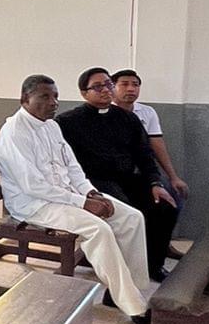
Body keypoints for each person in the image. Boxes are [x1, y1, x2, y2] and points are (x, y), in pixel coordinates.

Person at [0, 75, 151, 324]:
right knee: (98, 229)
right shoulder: (14, 132)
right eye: (45, 96)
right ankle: (134, 307)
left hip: (66, 196)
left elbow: (73, 167)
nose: (53, 102)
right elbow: (33, 185)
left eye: (56, 96)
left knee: (132, 218)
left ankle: (125, 290)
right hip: (34, 204)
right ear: (25, 99)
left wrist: (91, 193)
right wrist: (83, 203)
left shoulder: (51, 126)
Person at [58, 68, 178, 281]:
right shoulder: (67, 122)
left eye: (108, 85)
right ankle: (120, 270)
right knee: (126, 211)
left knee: (165, 206)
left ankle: (153, 265)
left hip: (125, 179)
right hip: (91, 183)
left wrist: (155, 183)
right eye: (97, 87)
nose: (105, 90)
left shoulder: (128, 119)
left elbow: (144, 155)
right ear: (84, 93)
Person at [111, 70, 189, 202]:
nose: (131, 89)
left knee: (171, 198)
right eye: (124, 84)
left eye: (135, 85)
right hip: (112, 173)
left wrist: (173, 177)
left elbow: (157, 145)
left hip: (143, 170)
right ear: (112, 87)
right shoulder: (103, 113)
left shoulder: (147, 112)